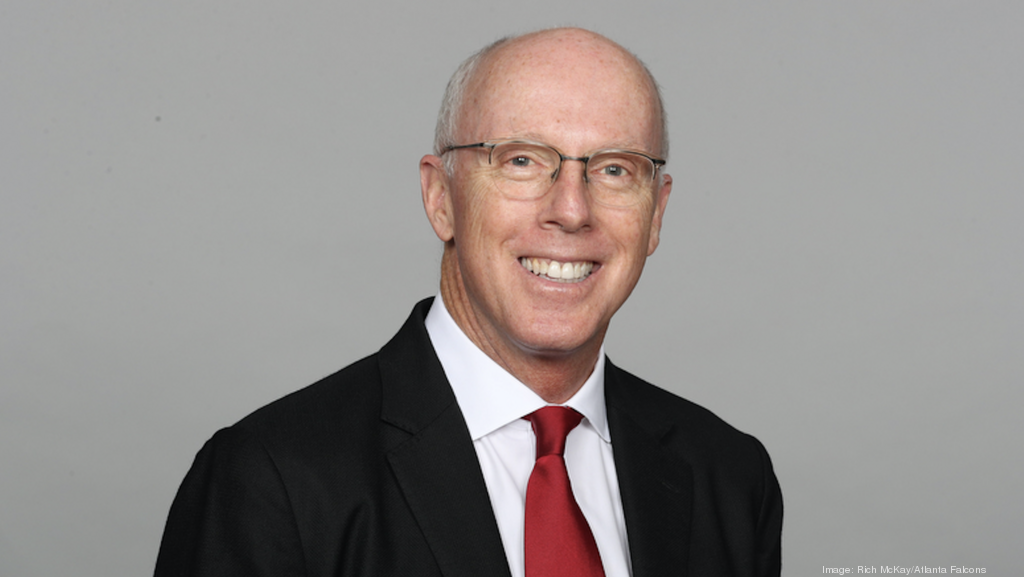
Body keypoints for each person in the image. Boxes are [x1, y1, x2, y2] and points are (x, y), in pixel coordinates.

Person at [154, 27, 782, 577]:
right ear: (441, 198)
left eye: (616, 169)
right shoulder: (273, 481)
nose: (571, 209)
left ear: (656, 214)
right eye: (521, 160)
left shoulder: (728, 477)